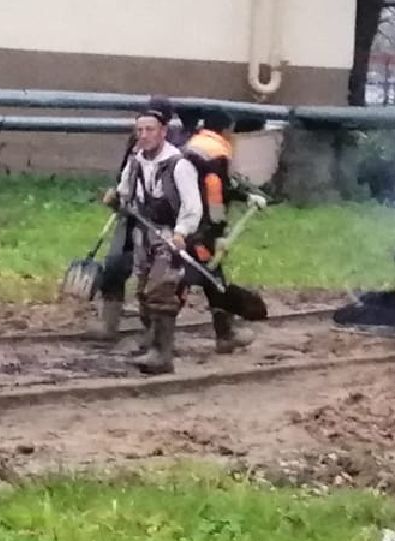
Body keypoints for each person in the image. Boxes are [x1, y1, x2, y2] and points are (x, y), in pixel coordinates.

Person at [109, 104, 203, 374]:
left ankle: (162, 354)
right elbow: (125, 194)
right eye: (139, 130)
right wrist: (115, 199)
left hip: (170, 235)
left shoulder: (179, 165)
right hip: (144, 233)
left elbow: (192, 206)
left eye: (149, 130)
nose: (144, 135)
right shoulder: (135, 161)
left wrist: (182, 232)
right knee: (143, 290)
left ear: (163, 132)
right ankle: (151, 343)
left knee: (161, 290)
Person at [90, 95, 186, 344]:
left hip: (160, 221)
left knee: (156, 277)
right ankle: (110, 322)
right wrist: (117, 195)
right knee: (115, 263)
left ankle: (154, 333)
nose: (144, 134)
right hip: (131, 212)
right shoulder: (137, 143)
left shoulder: (174, 149)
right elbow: (126, 172)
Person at [182, 112, 269, 354]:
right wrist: (217, 230)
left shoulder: (193, 145)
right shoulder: (218, 151)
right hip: (203, 225)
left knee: (200, 276)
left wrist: (244, 196)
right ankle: (224, 335)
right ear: (225, 129)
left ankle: (224, 334)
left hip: (182, 219)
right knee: (210, 278)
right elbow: (215, 192)